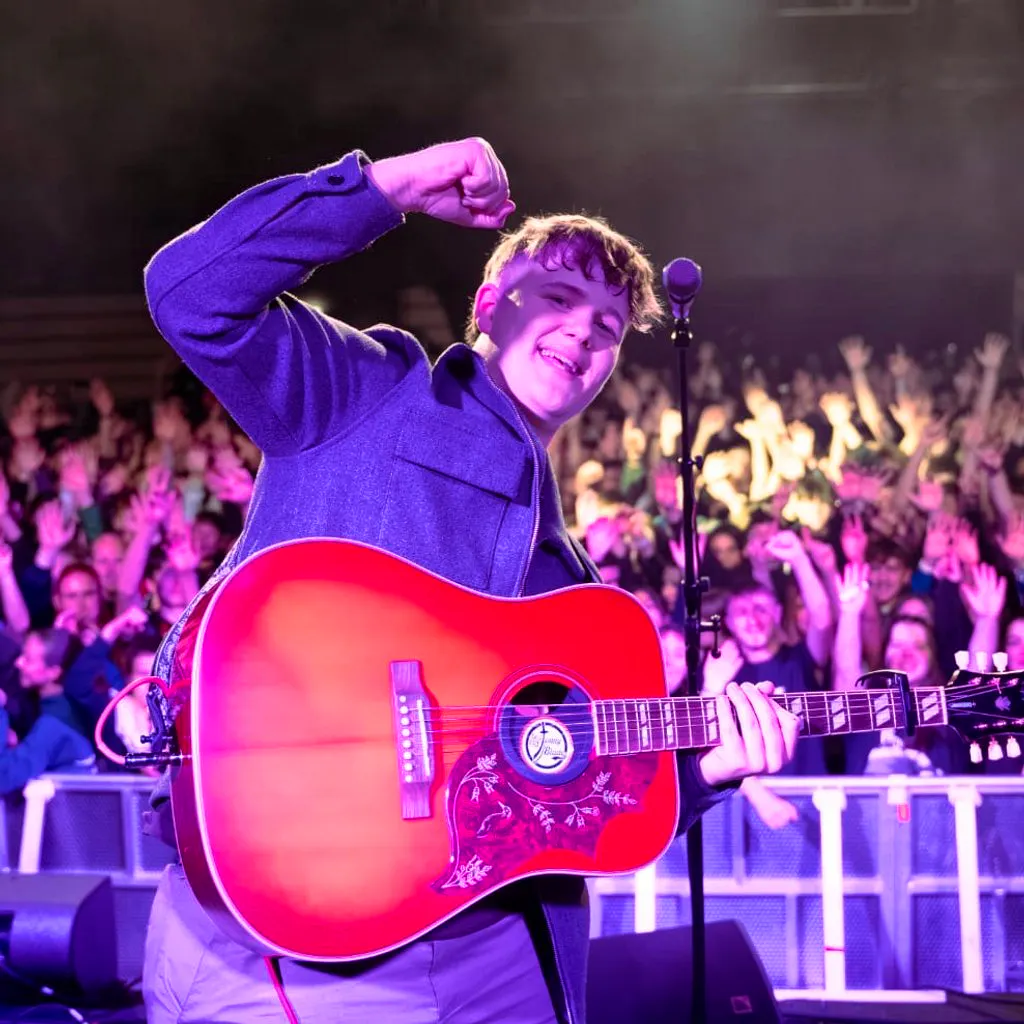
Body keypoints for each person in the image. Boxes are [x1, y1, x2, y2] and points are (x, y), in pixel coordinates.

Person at [141, 137, 800, 1024]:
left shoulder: (574, 594)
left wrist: (706, 771)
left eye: (607, 328)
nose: (583, 331)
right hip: (309, 945)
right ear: (489, 303)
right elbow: (191, 294)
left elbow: (577, 807)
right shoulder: (373, 389)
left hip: (506, 956)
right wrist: (389, 187)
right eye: (560, 298)